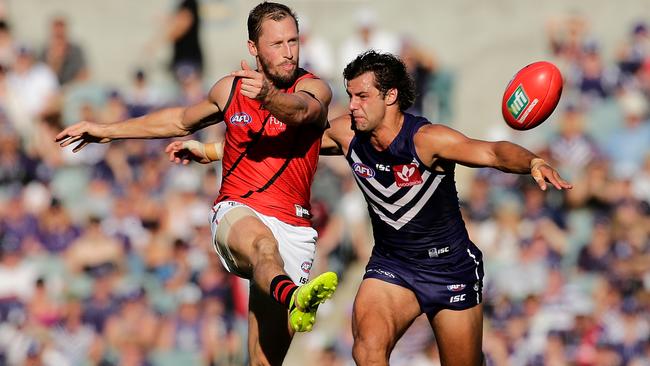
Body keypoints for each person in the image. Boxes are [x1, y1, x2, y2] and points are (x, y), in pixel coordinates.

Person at [171, 51, 572, 365]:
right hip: (392, 266)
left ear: (391, 97)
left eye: (362, 96)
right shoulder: (349, 134)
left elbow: (492, 151)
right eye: (350, 96)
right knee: (366, 349)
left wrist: (532, 161)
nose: (353, 105)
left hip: (449, 267)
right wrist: (208, 149)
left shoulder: (428, 140)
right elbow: (279, 145)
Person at [55, 3, 338, 365]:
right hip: (237, 211)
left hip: (294, 228)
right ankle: (296, 297)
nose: (288, 52)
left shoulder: (314, 88)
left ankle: (291, 294)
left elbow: (301, 112)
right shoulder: (230, 89)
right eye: (276, 44)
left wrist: (265, 98)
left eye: (293, 41)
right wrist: (108, 132)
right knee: (264, 246)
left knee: (263, 360)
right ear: (253, 48)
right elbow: (179, 120)